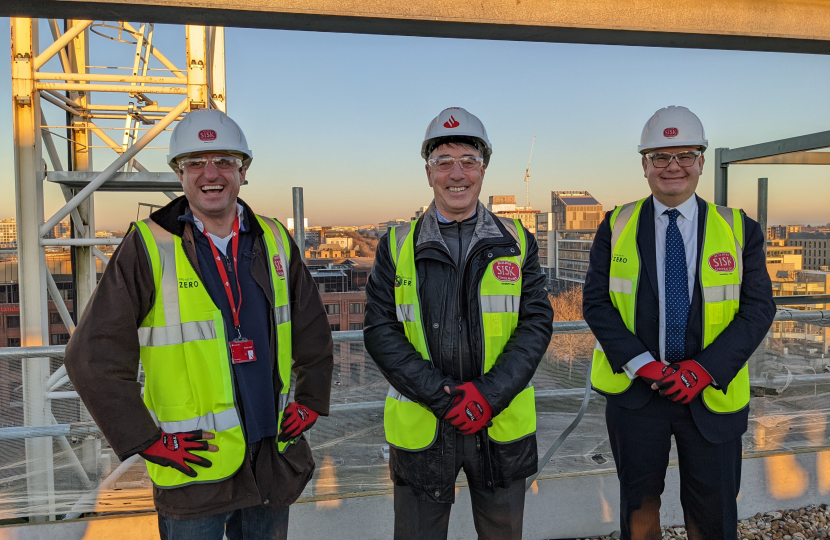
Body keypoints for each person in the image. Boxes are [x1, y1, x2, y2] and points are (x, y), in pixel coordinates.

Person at [65, 108, 333, 540]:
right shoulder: (148, 246)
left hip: (269, 456)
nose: (211, 173)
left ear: (243, 171)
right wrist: (147, 440)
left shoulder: (274, 239)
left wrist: (311, 398)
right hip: (195, 464)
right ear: (179, 173)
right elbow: (90, 355)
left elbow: (312, 329)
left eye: (225, 161)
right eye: (195, 163)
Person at [583, 106, 776, 539]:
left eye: (685, 154)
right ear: (645, 165)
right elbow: (596, 303)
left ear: (702, 162)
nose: (673, 167)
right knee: (639, 510)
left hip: (712, 396)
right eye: (660, 157)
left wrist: (703, 370)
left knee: (715, 512)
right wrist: (643, 364)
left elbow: (758, 309)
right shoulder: (615, 225)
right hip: (637, 395)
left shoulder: (739, 228)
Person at [364, 107, 553, 540]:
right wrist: (443, 398)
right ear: (428, 172)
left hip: (499, 424)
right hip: (425, 427)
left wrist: (489, 395)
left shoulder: (517, 242)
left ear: (484, 170)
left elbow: (536, 324)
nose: (457, 174)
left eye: (468, 161)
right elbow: (380, 331)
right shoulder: (396, 246)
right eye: (444, 162)